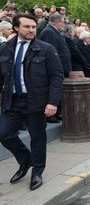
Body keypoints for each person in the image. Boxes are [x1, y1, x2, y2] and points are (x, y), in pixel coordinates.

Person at [0, 14, 64, 190]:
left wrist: (52, 102)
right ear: (16, 28)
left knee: (37, 138)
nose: (31, 30)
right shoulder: (5, 48)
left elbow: (57, 76)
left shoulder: (46, 49)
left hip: (37, 101)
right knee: (4, 134)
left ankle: (37, 172)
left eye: (33, 27)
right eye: (26, 27)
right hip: (12, 101)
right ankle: (25, 159)